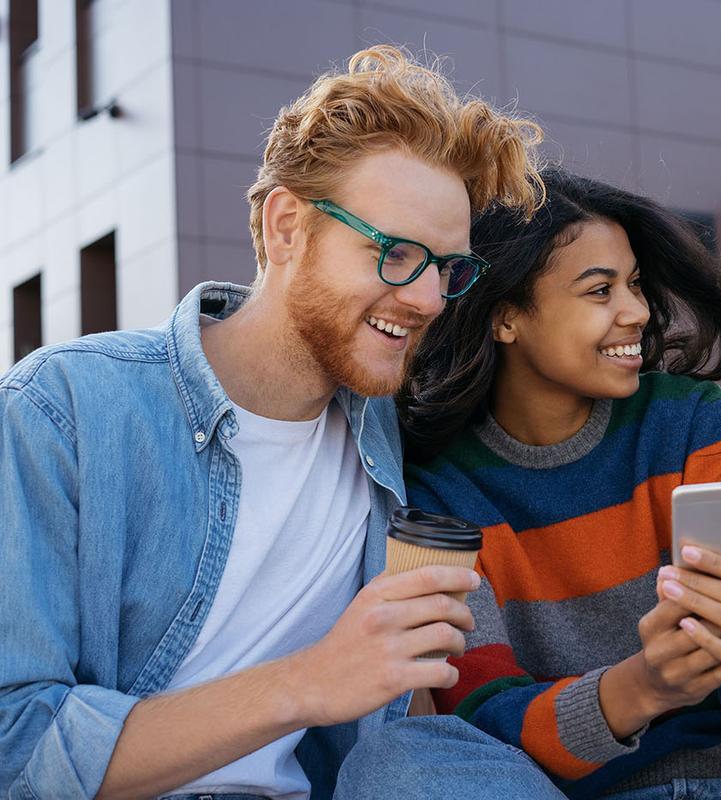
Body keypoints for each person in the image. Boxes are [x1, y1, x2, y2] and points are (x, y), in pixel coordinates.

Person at [0, 45, 559, 800]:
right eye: (396, 253)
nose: (428, 299)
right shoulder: (62, 408)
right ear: (289, 226)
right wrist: (310, 681)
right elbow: (17, 747)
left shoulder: (383, 435)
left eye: (448, 269)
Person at [390, 169, 721, 799]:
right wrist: (644, 686)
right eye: (600, 292)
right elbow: (483, 716)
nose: (638, 313)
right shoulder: (441, 488)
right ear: (505, 317)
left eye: (636, 285)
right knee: (402, 762)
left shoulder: (694, 420)